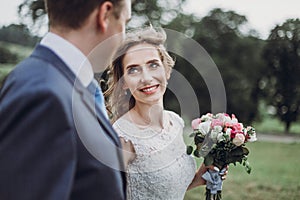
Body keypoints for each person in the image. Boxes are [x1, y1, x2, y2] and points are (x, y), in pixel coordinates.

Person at [0, 0, 131, 199]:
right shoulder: (45, 96)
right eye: (125, 23)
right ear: (104, 15)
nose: (123, 37)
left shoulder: (61, 82)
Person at [105, 27, 227, 200]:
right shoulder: (120, 136)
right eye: (133, 70)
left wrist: (199, 178)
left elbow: (164, 191)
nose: (146, 78)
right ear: (124, 82)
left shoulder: (175, 121)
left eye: (153, 65)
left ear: (167, 71)